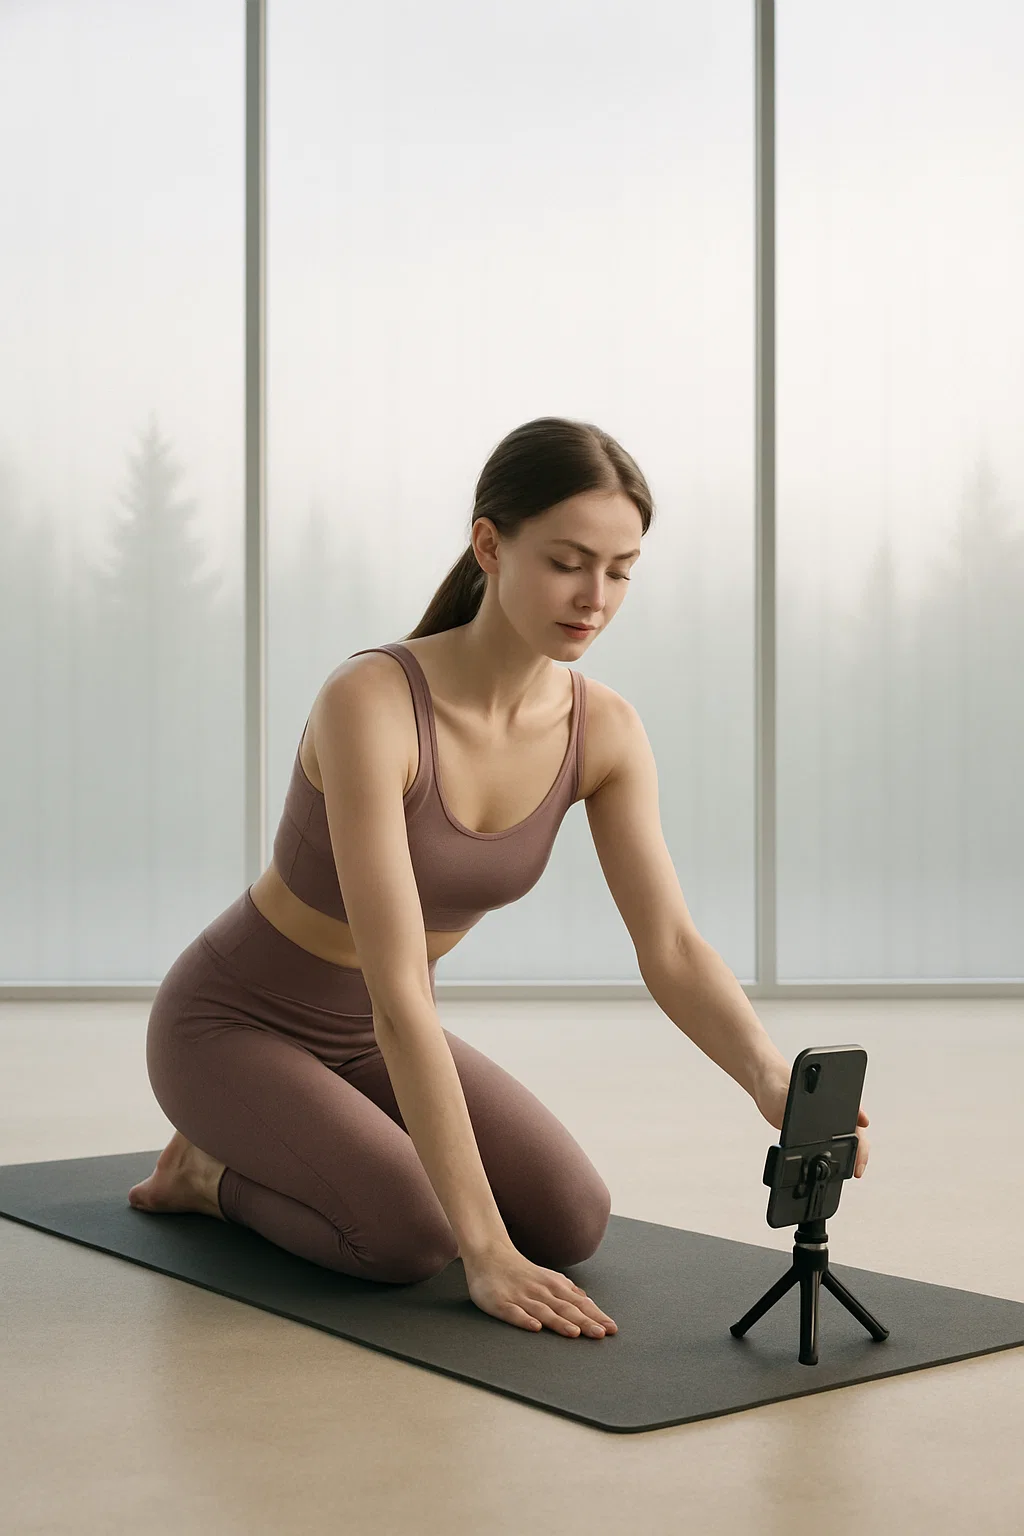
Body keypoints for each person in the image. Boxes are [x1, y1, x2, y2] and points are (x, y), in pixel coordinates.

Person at [128, 415, 785, 1343]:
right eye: (567, 562)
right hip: (231, 1027)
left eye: (621, 569)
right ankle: (206, 1174)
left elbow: (671, 945)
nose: (595, 597)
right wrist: (484, 1251)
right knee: (410, 1236)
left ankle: (314, 1139)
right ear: (490, 545)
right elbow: (400, 991)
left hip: (369, 1040)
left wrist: (767, 1074)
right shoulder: (371, 703)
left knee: (572, 1219)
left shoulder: (604, 731)